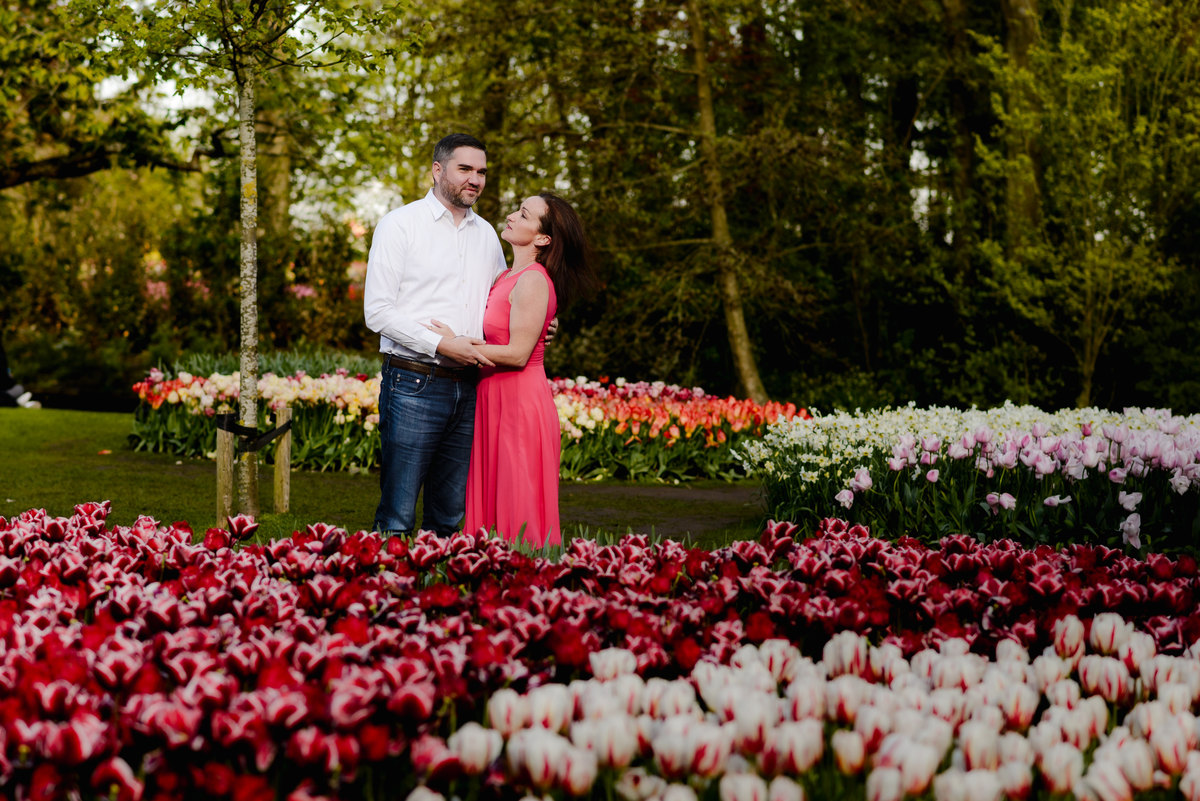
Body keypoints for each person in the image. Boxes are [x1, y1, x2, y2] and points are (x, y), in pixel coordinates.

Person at [428, 194, 598, 548]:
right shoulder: (508, 275)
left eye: (523, 214)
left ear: (542, 239)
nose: (510, 216)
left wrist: (457, 343)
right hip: (493, 397)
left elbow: (519, 354)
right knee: (492, 495)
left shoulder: (534, 279)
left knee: (516, 500)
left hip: (519, 403)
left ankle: (523, 584)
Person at [363, 133, 505, 536]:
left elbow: (501, 299)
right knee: (398, 514)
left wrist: (541, 319)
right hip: (413, 383)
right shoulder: (399, 225)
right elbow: (378, 311)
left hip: (471, 386)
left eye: (481, 172)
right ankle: (386, 594)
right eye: (465, 169)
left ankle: (441, 594)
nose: (475, 179)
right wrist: (444, 344)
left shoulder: (488, 234)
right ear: (437, 170)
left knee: (449, 514)